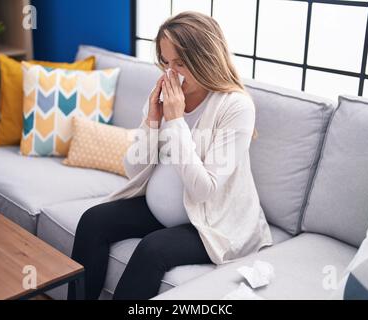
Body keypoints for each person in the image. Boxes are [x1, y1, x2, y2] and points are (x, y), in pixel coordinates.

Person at [68, 11, 272, 300]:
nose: (170, 72)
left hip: (210, 221)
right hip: (161, 210)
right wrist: (152, 120)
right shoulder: (166, 95)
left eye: (180, 62)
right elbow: (133, 168)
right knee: (93, 221)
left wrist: (175, 122)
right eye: (165, 62)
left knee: (152, 249)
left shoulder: (235, 107)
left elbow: (204, 190)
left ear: (206, 58)